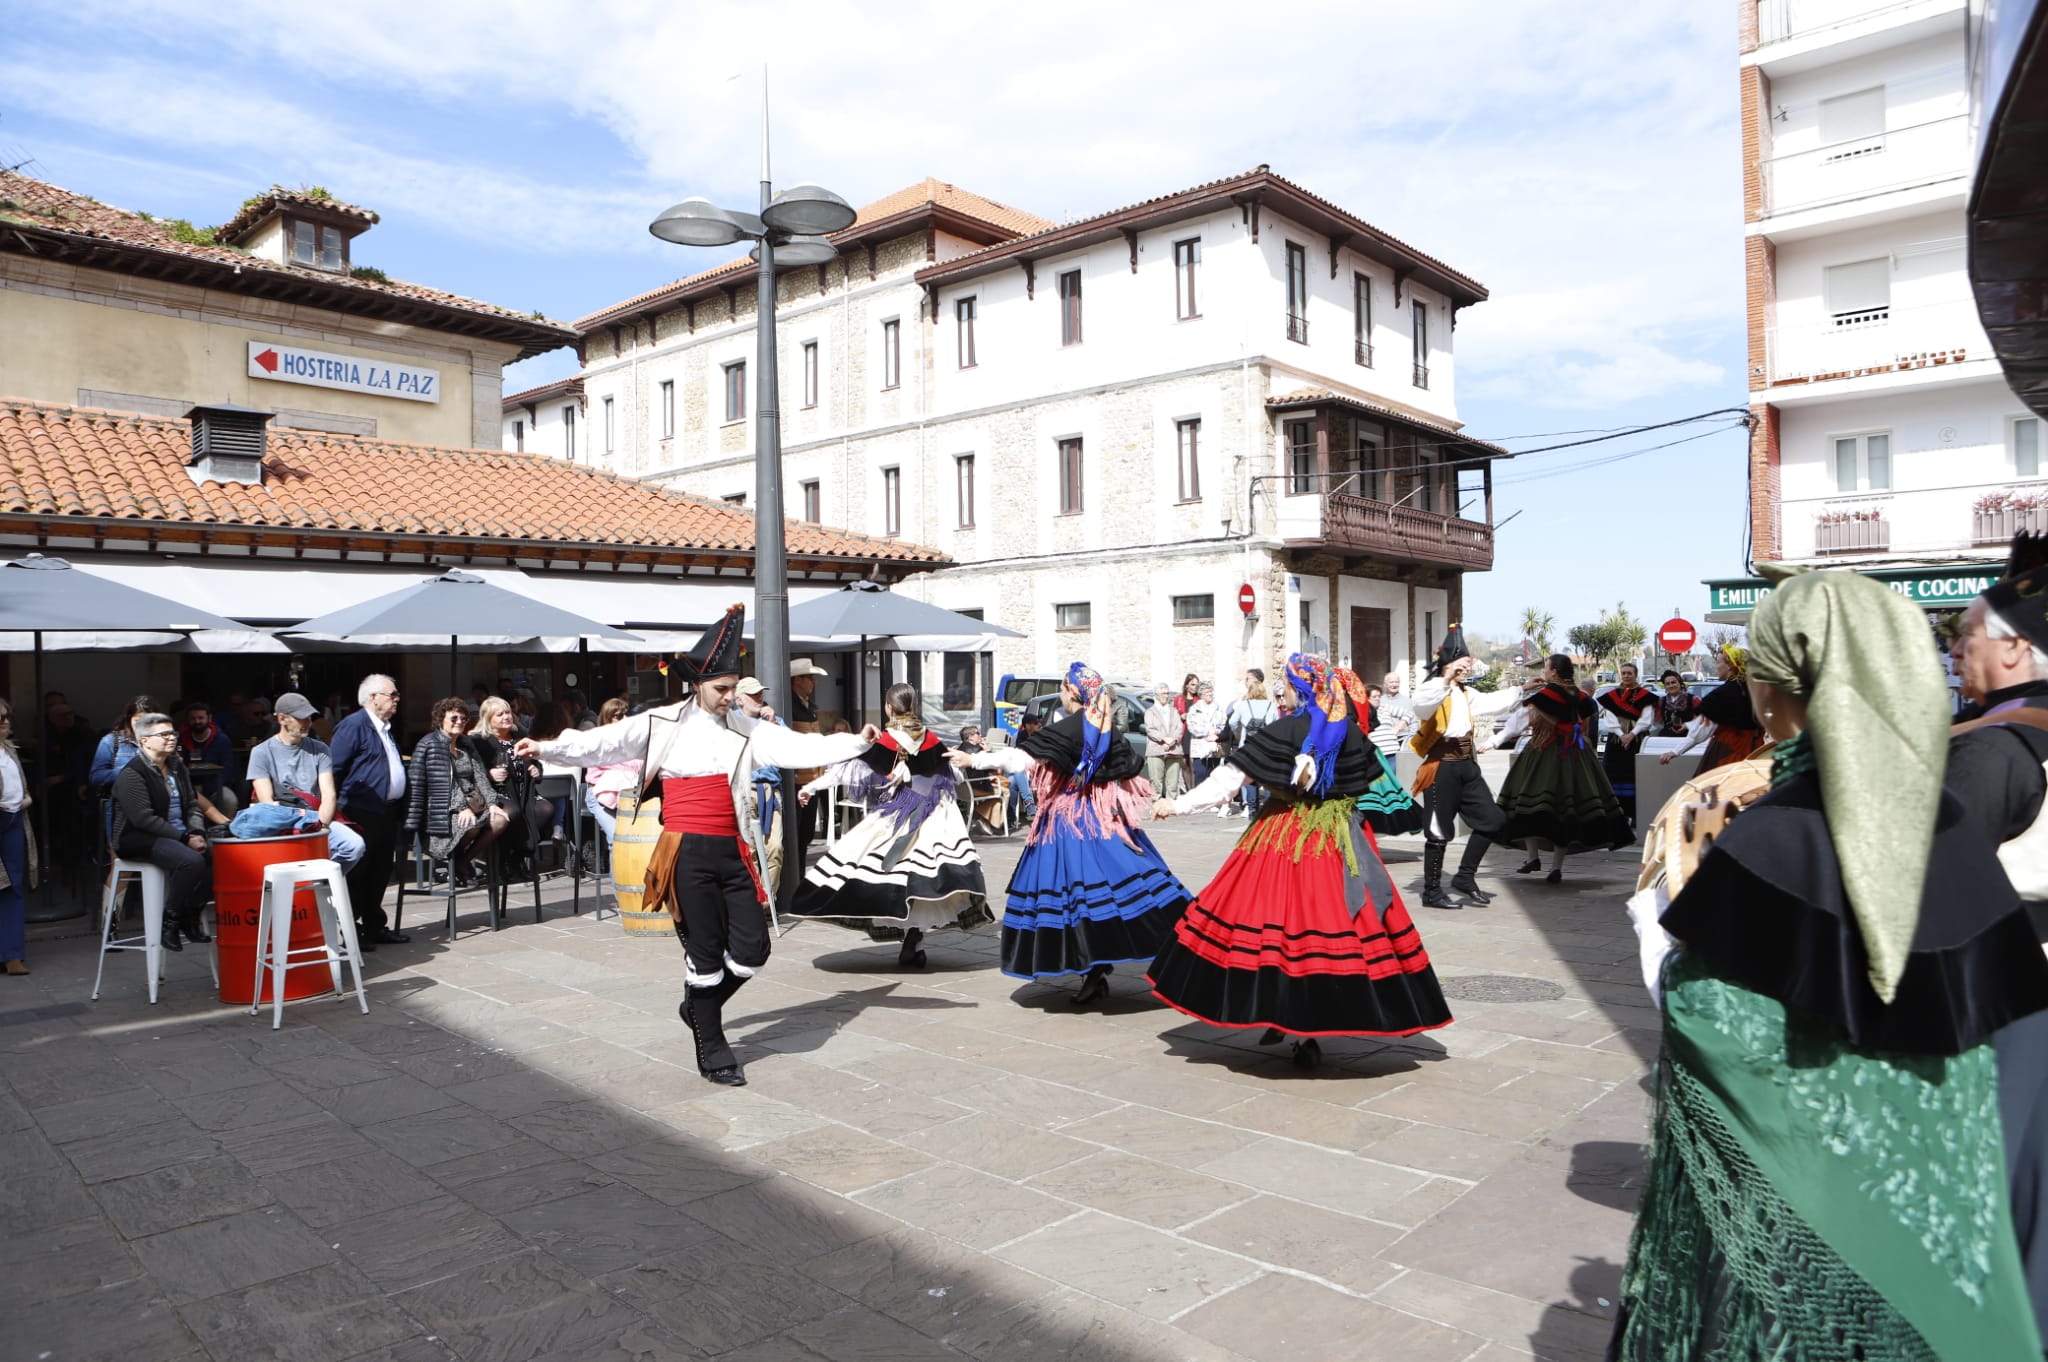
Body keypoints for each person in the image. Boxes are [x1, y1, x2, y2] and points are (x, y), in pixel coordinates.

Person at [1610, 567, 2048, 1361]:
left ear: (1782, 688)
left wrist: (1666, 953)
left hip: (1821, 1235)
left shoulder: (1774, 833)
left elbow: (1714, 1032)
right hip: (1947, 1217)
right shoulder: (1948, 817)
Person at [517, 605, 871, 1088]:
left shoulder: (747, 728)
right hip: (683, 851)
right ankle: (712, 1042)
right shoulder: (659, 722)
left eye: (734, 688)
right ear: (697, 685)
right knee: (705, 951)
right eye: (722, 689)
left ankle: (697, 1007)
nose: (730, 697)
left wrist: (854, 743)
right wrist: (547, 748)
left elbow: (796, 749)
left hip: (732, 848)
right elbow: (603, 743)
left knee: (752, 949)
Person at [1148, 654, 1451, 1067]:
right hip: (1343, 839)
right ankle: (1314, 1020)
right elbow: (1369, 786)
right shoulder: (1349, 732)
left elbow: (1229, 781)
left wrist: (1177, 804)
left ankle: (1284, 1015)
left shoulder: (1286, 728)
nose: (1283, 690)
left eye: (1288, 683)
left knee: (1276, 923)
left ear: (1301, 688)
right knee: (1338, 925)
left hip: (1286, 833)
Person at [1940, 551, 2048, 1337]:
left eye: (1965, 634)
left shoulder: (1992, 746)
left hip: (2008, 1002)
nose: (1956, 649)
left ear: (2014, 647)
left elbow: (1924, 883)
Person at [954, 662, 1192, 1006]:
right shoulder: (1107, 727)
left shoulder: (1069, 727)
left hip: (1069, 821)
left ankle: (1092, 968)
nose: (1063, 696)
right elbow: (1125, 770)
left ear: (1072, 693)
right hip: (1106, 818)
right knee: (1116, 886)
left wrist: (973, 760)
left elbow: (1023, 759)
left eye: (1064, 689)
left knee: (1075, 894)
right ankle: (1108, 963)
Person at [790, 682, 992, 967]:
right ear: (914, 706)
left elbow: (848, 771)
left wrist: (811, 786)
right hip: (935, 814)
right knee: (922, 877)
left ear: (888, 707)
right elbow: (954, 776)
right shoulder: (931, 739)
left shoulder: (884, 741)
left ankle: (909, 935)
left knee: (888, 874)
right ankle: (914, 937)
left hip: (898, 813)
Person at [1410, 626, 1532, 909]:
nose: (1465, 668)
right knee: (1438, 831)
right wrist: (1447, 676)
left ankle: (1464, 877)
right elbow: (1422, 706)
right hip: (1441, 768)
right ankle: (1431, 892)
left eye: (1466, 663)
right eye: (1460, 662)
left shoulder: (1465, 693)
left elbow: (1492, 702)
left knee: (1493, 820)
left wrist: (1522, 688)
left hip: (1467, 766)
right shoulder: (1433, 688)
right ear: (1446, 664)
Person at [1495, 655, 1632, 885]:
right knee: (1567, 810)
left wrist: (1493, 742)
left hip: (1543, 753)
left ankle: (1533, 857)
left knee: (1525, 801)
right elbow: (1585, 726)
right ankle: (1556, 867)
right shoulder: (1582, 697)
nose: (1545, 672)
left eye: (1547, 669)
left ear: (1555, 672)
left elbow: (1524, 721)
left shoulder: (1544, 696)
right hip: (1577, 755)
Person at [111, 712, 224, 951]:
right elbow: (144, 819)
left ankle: (191, 913)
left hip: (181, 834)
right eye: (163, 734)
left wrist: (197, 832)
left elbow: (192, 805)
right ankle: (170, 922)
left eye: (172, 733)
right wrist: (185, 838)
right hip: (139, 838)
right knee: (191, 861)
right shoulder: (132, 774)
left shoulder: (177, 768)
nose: (171, 738)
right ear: (144, 741)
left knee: (223, 856)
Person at [329, 674, 410, 946]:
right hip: (360, 810)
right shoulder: (353, 726)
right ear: (373, 697)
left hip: (386, 810)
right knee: (359, 871)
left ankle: (374, 925)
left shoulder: (385, 727)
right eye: (393, 694)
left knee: (380, 870)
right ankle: (351, 930)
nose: (397, 699)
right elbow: (334, 770)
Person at [245, 693, 365, 873]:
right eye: (302, 718)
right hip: (282, 821)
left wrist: (321, 827)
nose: (308, 722)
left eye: (309, 717)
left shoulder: (320, 749)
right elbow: (267, 802)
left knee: (354, 845)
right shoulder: (261, 752)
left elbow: (329, 794)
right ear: (282, 718)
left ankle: (321, 881)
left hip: (317, 818)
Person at [405, 698, 506, 888]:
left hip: (473, 803)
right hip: (441, 810)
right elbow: (437, 784)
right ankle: (455, 862)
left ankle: (462, 860)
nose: (459, 722)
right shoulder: (430, 745)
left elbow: (480, 776)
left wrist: (492, 803)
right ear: (440, 719)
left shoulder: (465, 743)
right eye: (454, 718)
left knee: (500, 819)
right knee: (471, 823)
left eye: (463, 718)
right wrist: (460, 807)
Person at [1660, 644, 1764, 776]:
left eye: (1719, 662)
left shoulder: (1721, 695)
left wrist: (1675, 751)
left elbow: (1702, 730)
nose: (1716, 666)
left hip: (1730, 752)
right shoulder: (1757, 690)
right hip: (1757, 753)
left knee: (1716, 791)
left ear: (1731, 665)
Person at [477, 696, 554, 875]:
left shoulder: (520, 737)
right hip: (500, 793)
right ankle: (503, 858)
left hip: (525, 792)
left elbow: (535, 761)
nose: (506, 717)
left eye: (508, 712)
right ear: (489, 720)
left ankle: (518, 854)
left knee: (546, 809)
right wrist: (489, 774)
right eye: (500, 714)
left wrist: (536, 769)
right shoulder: (481, 742)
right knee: (512, 812)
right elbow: (474, 771)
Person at [1595, 663, 1659, 825]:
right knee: (1614, 776)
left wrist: (1632, 734)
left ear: (1635, 675)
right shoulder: (1612, 696)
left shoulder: (1645, 695)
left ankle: (1636, 813)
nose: (1626, 676)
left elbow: (1646, 719)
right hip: (1617, 741)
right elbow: (1609, 718)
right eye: (1623, 673)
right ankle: (1617, 814)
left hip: (1636, 740)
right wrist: (1621, 734)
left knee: (1636, 775)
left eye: (1629, 673)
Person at [580, 697, 639, 852]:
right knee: (616, 838)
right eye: (618, 716)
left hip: (630, 795)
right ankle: (618, 877)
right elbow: (592, 778)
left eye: (627, 715)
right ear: (607, 719)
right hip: (600, 796)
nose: (625, 719)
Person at [0, 698, 31, 975]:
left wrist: (26, 797)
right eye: (0, 718)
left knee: (13, 885)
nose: (5, 722)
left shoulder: (9, 749)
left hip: (12, 819)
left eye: (7, 717)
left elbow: (18, 783)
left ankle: (12, 954)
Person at [1225, 670, 1278, 818]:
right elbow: (1276, 725)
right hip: (1266, 748)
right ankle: (1268, 810)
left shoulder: (1244, 705)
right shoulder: (1270, 705)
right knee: (1266, 779)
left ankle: (1252, 810)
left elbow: (1232, 722)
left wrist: (1238, 732)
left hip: (1248, 747)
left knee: (1249, 779)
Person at [176, 700, 239, 819]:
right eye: (193, 718)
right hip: (189, 786)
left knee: (229, 800)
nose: (197, 721)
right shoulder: (181, 739)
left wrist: (213, 787)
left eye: (200, 718)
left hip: (216, 786)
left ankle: (225, 829)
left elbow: (229, 768)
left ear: (209, 718)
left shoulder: (221, 739)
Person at [1144, 682, 1187, 801]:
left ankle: (1171, 803)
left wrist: (1173, 740)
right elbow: (1150, 729)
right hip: (1156, 749)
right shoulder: (1150, 712)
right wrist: (1164, 739)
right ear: (1156, 695)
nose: (1166, 696)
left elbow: (1179, 728)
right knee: (1156, 780)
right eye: (1163, 693)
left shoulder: (1173, 711)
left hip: (1174, 749)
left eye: (1167, 693)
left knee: (1173, 781)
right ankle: (1157, 803)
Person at [1185, 682, 1224, 792]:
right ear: (1201, 694)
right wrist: (1206, 733)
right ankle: (1199, 799)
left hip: (1215, 745)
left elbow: (1223, 723)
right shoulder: (1194, 709)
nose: (1210, 694)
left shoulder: (1218, 708)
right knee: (1200, 772)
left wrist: (1216, 733)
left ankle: (1212, 801)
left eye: (1211, 691)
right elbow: (1191, 726)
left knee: (1213, 773)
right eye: (1207, 692)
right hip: (1200, 745)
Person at [1371, 669, 1417, 759]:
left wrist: (1411, 740)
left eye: (1397, 682)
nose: (1394, 685)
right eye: (1391, 682)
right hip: (1386, 742)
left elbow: (1414, 721)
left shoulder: (1407, 701)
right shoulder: (1380, 700)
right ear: (1385, 684)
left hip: (1403, 740)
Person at [1650, 668, 1700, 738]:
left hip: (1689, 738)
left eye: (1673, 682)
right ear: (1665, 687)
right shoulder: (1661, 701)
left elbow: (1702, 719)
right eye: (1667, 684)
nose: (1671, 686)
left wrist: (1687, 726)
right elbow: (1657, 722)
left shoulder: (1693, 700)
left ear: (1680, 683)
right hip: (1666, 738)